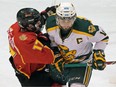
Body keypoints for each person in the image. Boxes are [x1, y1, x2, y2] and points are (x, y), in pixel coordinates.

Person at [45, 2, 109, 87]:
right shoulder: (50, 24)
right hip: (62, 63)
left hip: (82, 62)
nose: (66, 24)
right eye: (62, 19)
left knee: (77, 85)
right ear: (57, 18)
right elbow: (53, 41)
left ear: (74, 18)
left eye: (69, 20)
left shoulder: (85, 28)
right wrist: (56, 55)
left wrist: (98, 53)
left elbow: (103, 38)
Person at [7, 7, 61, 87]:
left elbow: (31, 21)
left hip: (25, 61)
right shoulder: (26, 43)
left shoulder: (16, 26)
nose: (40, 23)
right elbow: (50, 58)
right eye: (37, 23)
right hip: (33, 77)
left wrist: (45, 14)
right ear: (28, 26)